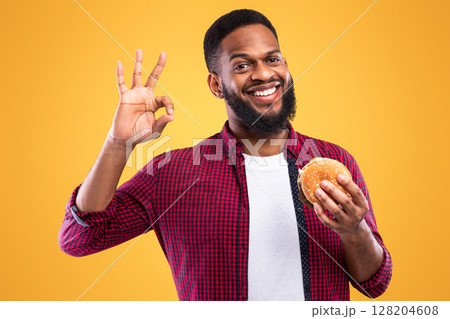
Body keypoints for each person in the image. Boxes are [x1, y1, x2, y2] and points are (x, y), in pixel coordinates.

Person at [59, 9, 392, 301]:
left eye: (272, 59)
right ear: (217, 85)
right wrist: (118, 144)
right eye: (243, 65)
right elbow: (80, 238)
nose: (264, 74)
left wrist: (354, 230)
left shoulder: (333, 162)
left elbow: (374, 283)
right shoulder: (173, 171)